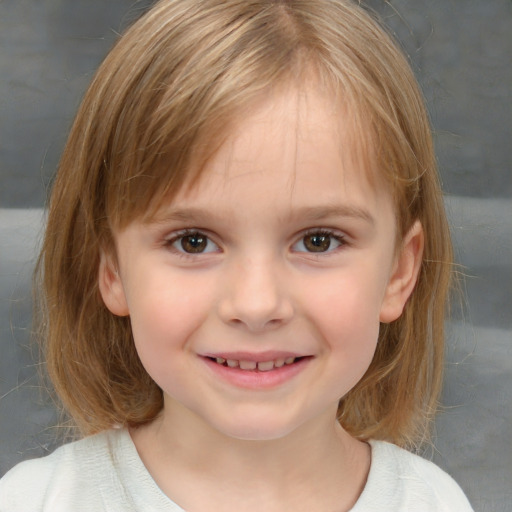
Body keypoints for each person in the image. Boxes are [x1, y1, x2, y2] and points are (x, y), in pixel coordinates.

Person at [0, 0, 474, 510]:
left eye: (318, 240)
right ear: (112, 267)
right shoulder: (34, 500)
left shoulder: (435, 501)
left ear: (399, 273)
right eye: (193, 241)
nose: (255, 304)